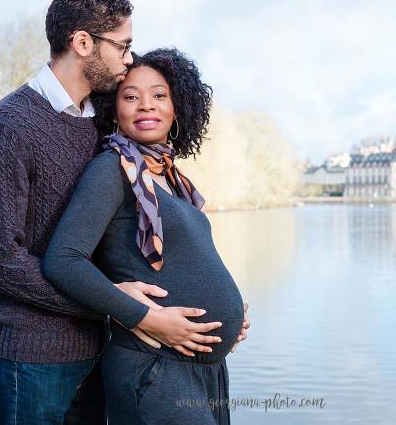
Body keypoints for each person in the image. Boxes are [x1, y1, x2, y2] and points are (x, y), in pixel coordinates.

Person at [0, 0, 222, 424]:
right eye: (123, 46)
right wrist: (121, 306)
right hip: (27, 361)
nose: (129, 60)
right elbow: (0, 261)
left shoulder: (101, 128)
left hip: (97, 352)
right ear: (83, 43)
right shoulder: (7, 127)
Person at [43, 48, 249, 424]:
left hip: (205, 371)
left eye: (159, 95)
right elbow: (63, 260)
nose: (145, 106)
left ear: (178, 108)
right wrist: (143, 316)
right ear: (114, 109)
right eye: (131, 96)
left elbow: (189, 264)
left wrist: (233, 315)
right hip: (154, 368)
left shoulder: (173, 181)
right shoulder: (111, 169)